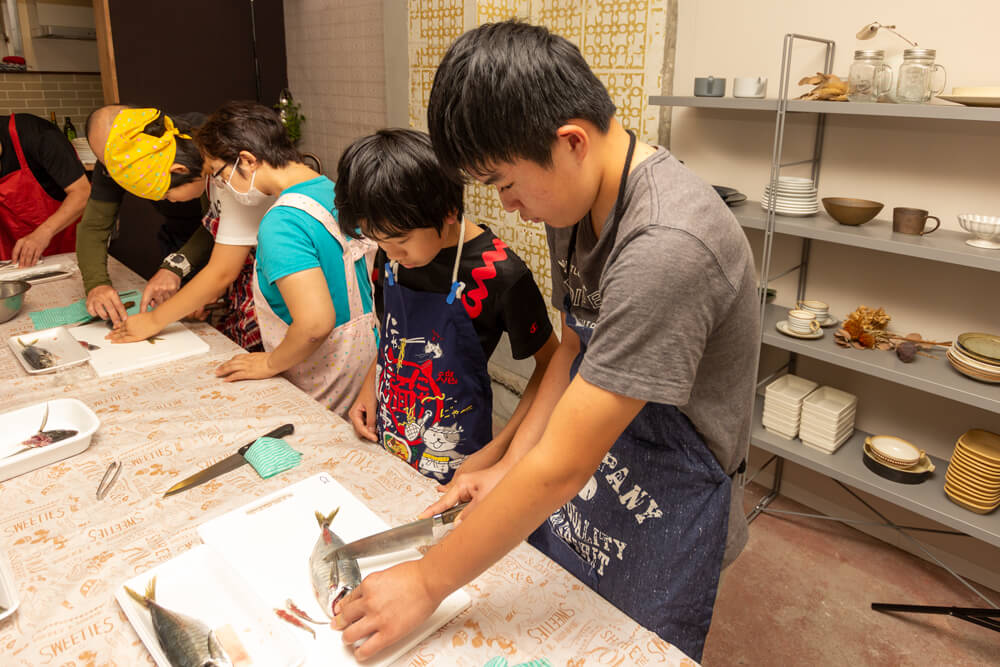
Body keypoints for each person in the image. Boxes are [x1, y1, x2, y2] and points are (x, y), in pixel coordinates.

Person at [332, 21, 759, 663]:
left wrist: (426, 581)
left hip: (667, 483)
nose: (507, 207)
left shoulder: (668, 246)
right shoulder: (576, 204)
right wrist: (506, 465)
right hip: (596, 450)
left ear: (570, 143)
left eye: (505, 183)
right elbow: (571, 351)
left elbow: (562, 465)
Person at [334, 129, 557, 485]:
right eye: (379, 241)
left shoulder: (500, 273)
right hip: (390, 437)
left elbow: (553, 364)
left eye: (401, 241)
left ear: (449, 210)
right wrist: (369, 385)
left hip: (460, 460)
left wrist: (501, 448)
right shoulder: (392, 258)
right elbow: (392, 338)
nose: (390, 254)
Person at [195, 101, 378, 414]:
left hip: (323, 372)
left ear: (248, 160)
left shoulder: (282, 223)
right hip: (364, 361)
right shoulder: (330, 189)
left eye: (220, 174)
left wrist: (269, 362)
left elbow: (314, 324)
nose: (223, 186)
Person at [87, 106, 273, 350]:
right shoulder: (212, 176)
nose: (167, 202)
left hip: (270, 284)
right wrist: (193, 288)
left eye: (165, 195)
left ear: (179, 170)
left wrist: (155, 319)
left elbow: (222, 270)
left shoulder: (228, 178)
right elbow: (220, 240)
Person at [0, 113, 91, 266]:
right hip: (13, 250)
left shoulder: (39, 135)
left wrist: (42, 234)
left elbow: (82, 193)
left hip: (64, 241)